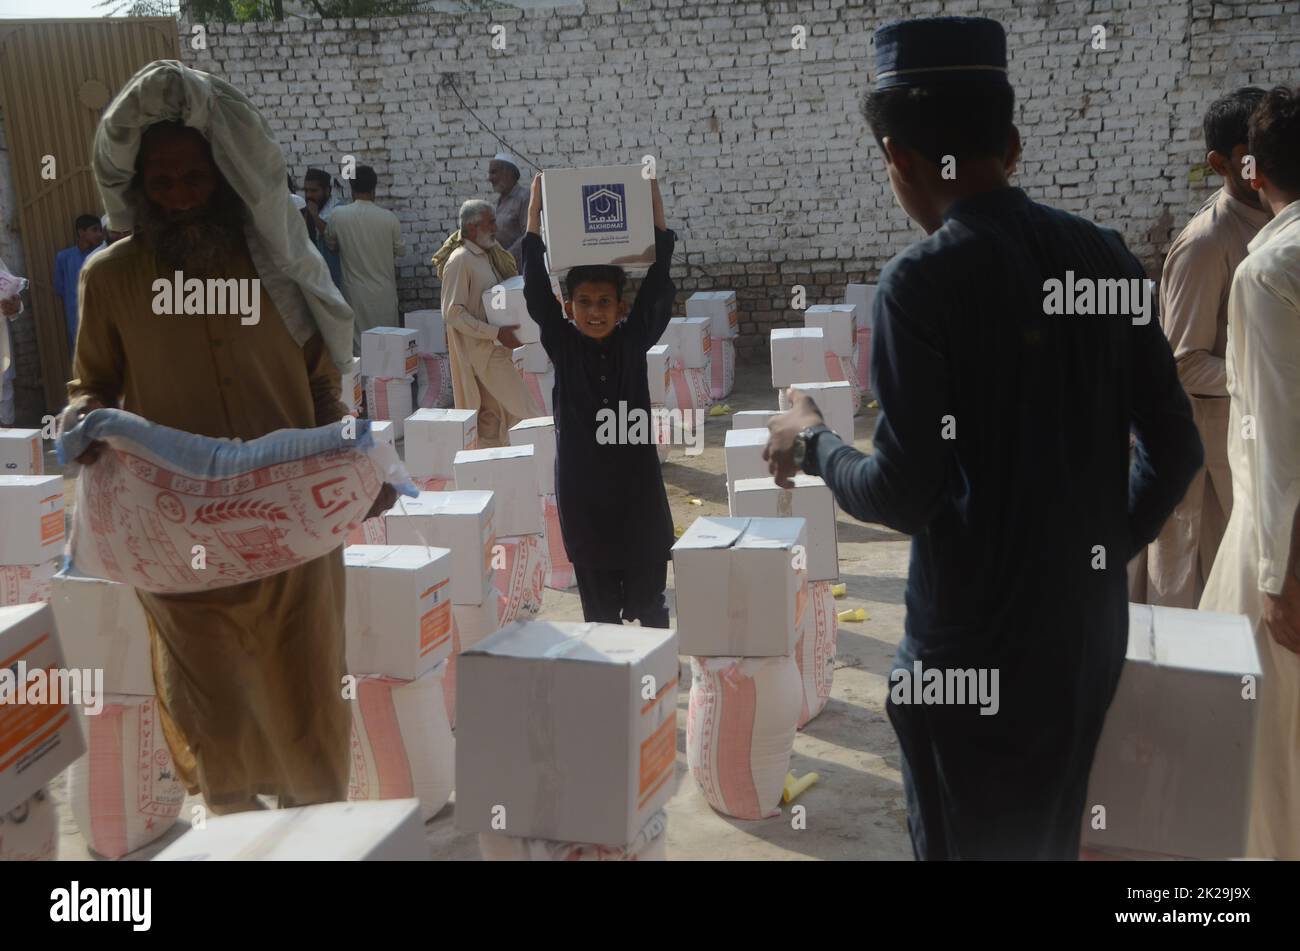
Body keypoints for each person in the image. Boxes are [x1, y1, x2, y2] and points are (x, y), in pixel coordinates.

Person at [764, 16, 1203, 860]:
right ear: (1013, 141)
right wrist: (1100, 554)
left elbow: (900, 490)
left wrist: (813, 439)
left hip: (967, 659)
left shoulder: (920, 285)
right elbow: (1177, 448)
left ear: (896, 156)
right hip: (1082, 640)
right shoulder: (1106, 260)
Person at [62, 60, 387, 815]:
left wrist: (354, 467)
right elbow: (91, 385)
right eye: (163, 182)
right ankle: (235, 832)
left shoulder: (278, 262)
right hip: (180, 543)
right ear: (139, 186)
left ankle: (315, 836)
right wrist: (79, 423)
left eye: (194, 178)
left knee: (307, 690)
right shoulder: (109, 278)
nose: (179, 197)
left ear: (224, 176)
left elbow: (321, 381)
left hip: (292, 531)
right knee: (211, 710)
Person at [1200, 85, 1300, 860]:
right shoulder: (1222, 251)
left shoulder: (1269, 272)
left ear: (1255, 168)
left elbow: (1277, 440)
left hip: (1282, 549)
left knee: (1269, 760)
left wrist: (1278, 577)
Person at [521, 173, 675, 627]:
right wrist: (534, 214)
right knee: (602, 620)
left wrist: (653, 208)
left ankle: (656, 683)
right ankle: (612, 691)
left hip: (638, 497)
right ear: (568, 307)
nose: (594, 311)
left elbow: (658, 280)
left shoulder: (633, 342)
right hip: (584, 498)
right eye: (584, 301)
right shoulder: (564, 347)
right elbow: (534, 290)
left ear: (620, 307)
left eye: (604, 301)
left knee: (650, 608)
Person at [1147, 88, 1271, 608]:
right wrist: (1267, 376)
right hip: (1213, 458)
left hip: (1261, 447)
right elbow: (1183, 363)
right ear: (1220, 162)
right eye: (1252, 153)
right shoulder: (1208, 241)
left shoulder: (1278, 219)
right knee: (1205, 601)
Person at [433, 199, 540, 447]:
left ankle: (491, 474)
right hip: (482, 354)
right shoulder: (460, 260)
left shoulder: (486, 256)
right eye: (490, 223)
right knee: (528, 413)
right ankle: (547, 466)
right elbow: (452, 313)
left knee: (490, 419)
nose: (495, 227)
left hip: (492, 350)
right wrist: (496, 333)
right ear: (471, 229)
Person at [325, 165, 405, 351]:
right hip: (384, 294)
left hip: (354, 295)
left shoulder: (338, 216)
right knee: (387, 347)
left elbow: (331, 245)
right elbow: (400, 251)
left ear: (351, 188)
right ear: (374, 189)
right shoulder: (388, 218)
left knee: (359, 349)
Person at [53, 214, 105, 354]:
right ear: (81, 232)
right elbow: (59, 288)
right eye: (94, 230)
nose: (99, 234)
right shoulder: (64, 258)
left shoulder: (102, 255)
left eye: (100, 230)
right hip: (76, 320)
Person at [302, 167, 343, 288]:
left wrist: (314, 216)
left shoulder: (338, 211)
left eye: (314, 191)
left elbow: (333, 240)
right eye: (306, 190)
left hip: (336, 281)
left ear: (327, 190)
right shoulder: (307, 209)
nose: (309, 195)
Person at [489, 151, 529, 272]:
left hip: (521, 269)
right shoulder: (502, 199)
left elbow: (529, 234)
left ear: (508, 173)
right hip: (506, 269)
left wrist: (505, 257)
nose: (489, 178)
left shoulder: (524, 197)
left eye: (494, 172)